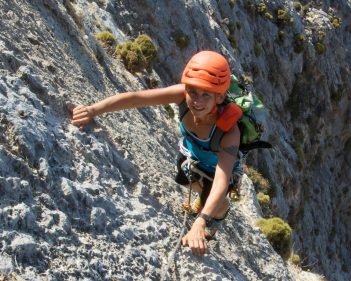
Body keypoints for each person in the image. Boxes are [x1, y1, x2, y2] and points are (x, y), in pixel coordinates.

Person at [71, 51, 242, 256]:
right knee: (188, 183)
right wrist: (93, 110)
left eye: (207, 94)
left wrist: (201, 221)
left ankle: (214, 220)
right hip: (190, 159)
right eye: (193, 92)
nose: (197, 101)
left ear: (220, 96)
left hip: (215, 172)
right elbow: (136, 99)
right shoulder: (181, 95)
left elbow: (222, 180)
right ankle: (201, 200)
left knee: (219, 205)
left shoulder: (229, 132)